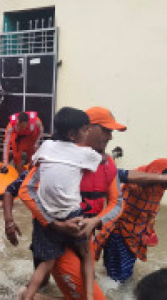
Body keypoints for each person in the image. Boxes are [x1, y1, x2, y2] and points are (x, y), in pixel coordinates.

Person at [7, 106, 126, 299]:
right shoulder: (53, 156)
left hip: (84, 230)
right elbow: (21, 191)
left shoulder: (107, 162)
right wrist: (53, 224)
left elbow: (117, 204)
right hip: (56, 232)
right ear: (87, 129)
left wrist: (95, 222)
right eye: (106, 130)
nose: (110, 137)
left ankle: (30, 296)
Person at [94, 158, 167, 282]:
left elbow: (151, 210)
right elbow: (122, 177)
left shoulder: (158, 189)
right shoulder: (137, 184)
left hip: (135, 235)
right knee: (117, 278)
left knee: (125, 274)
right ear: (156, 174)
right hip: (119, 232)